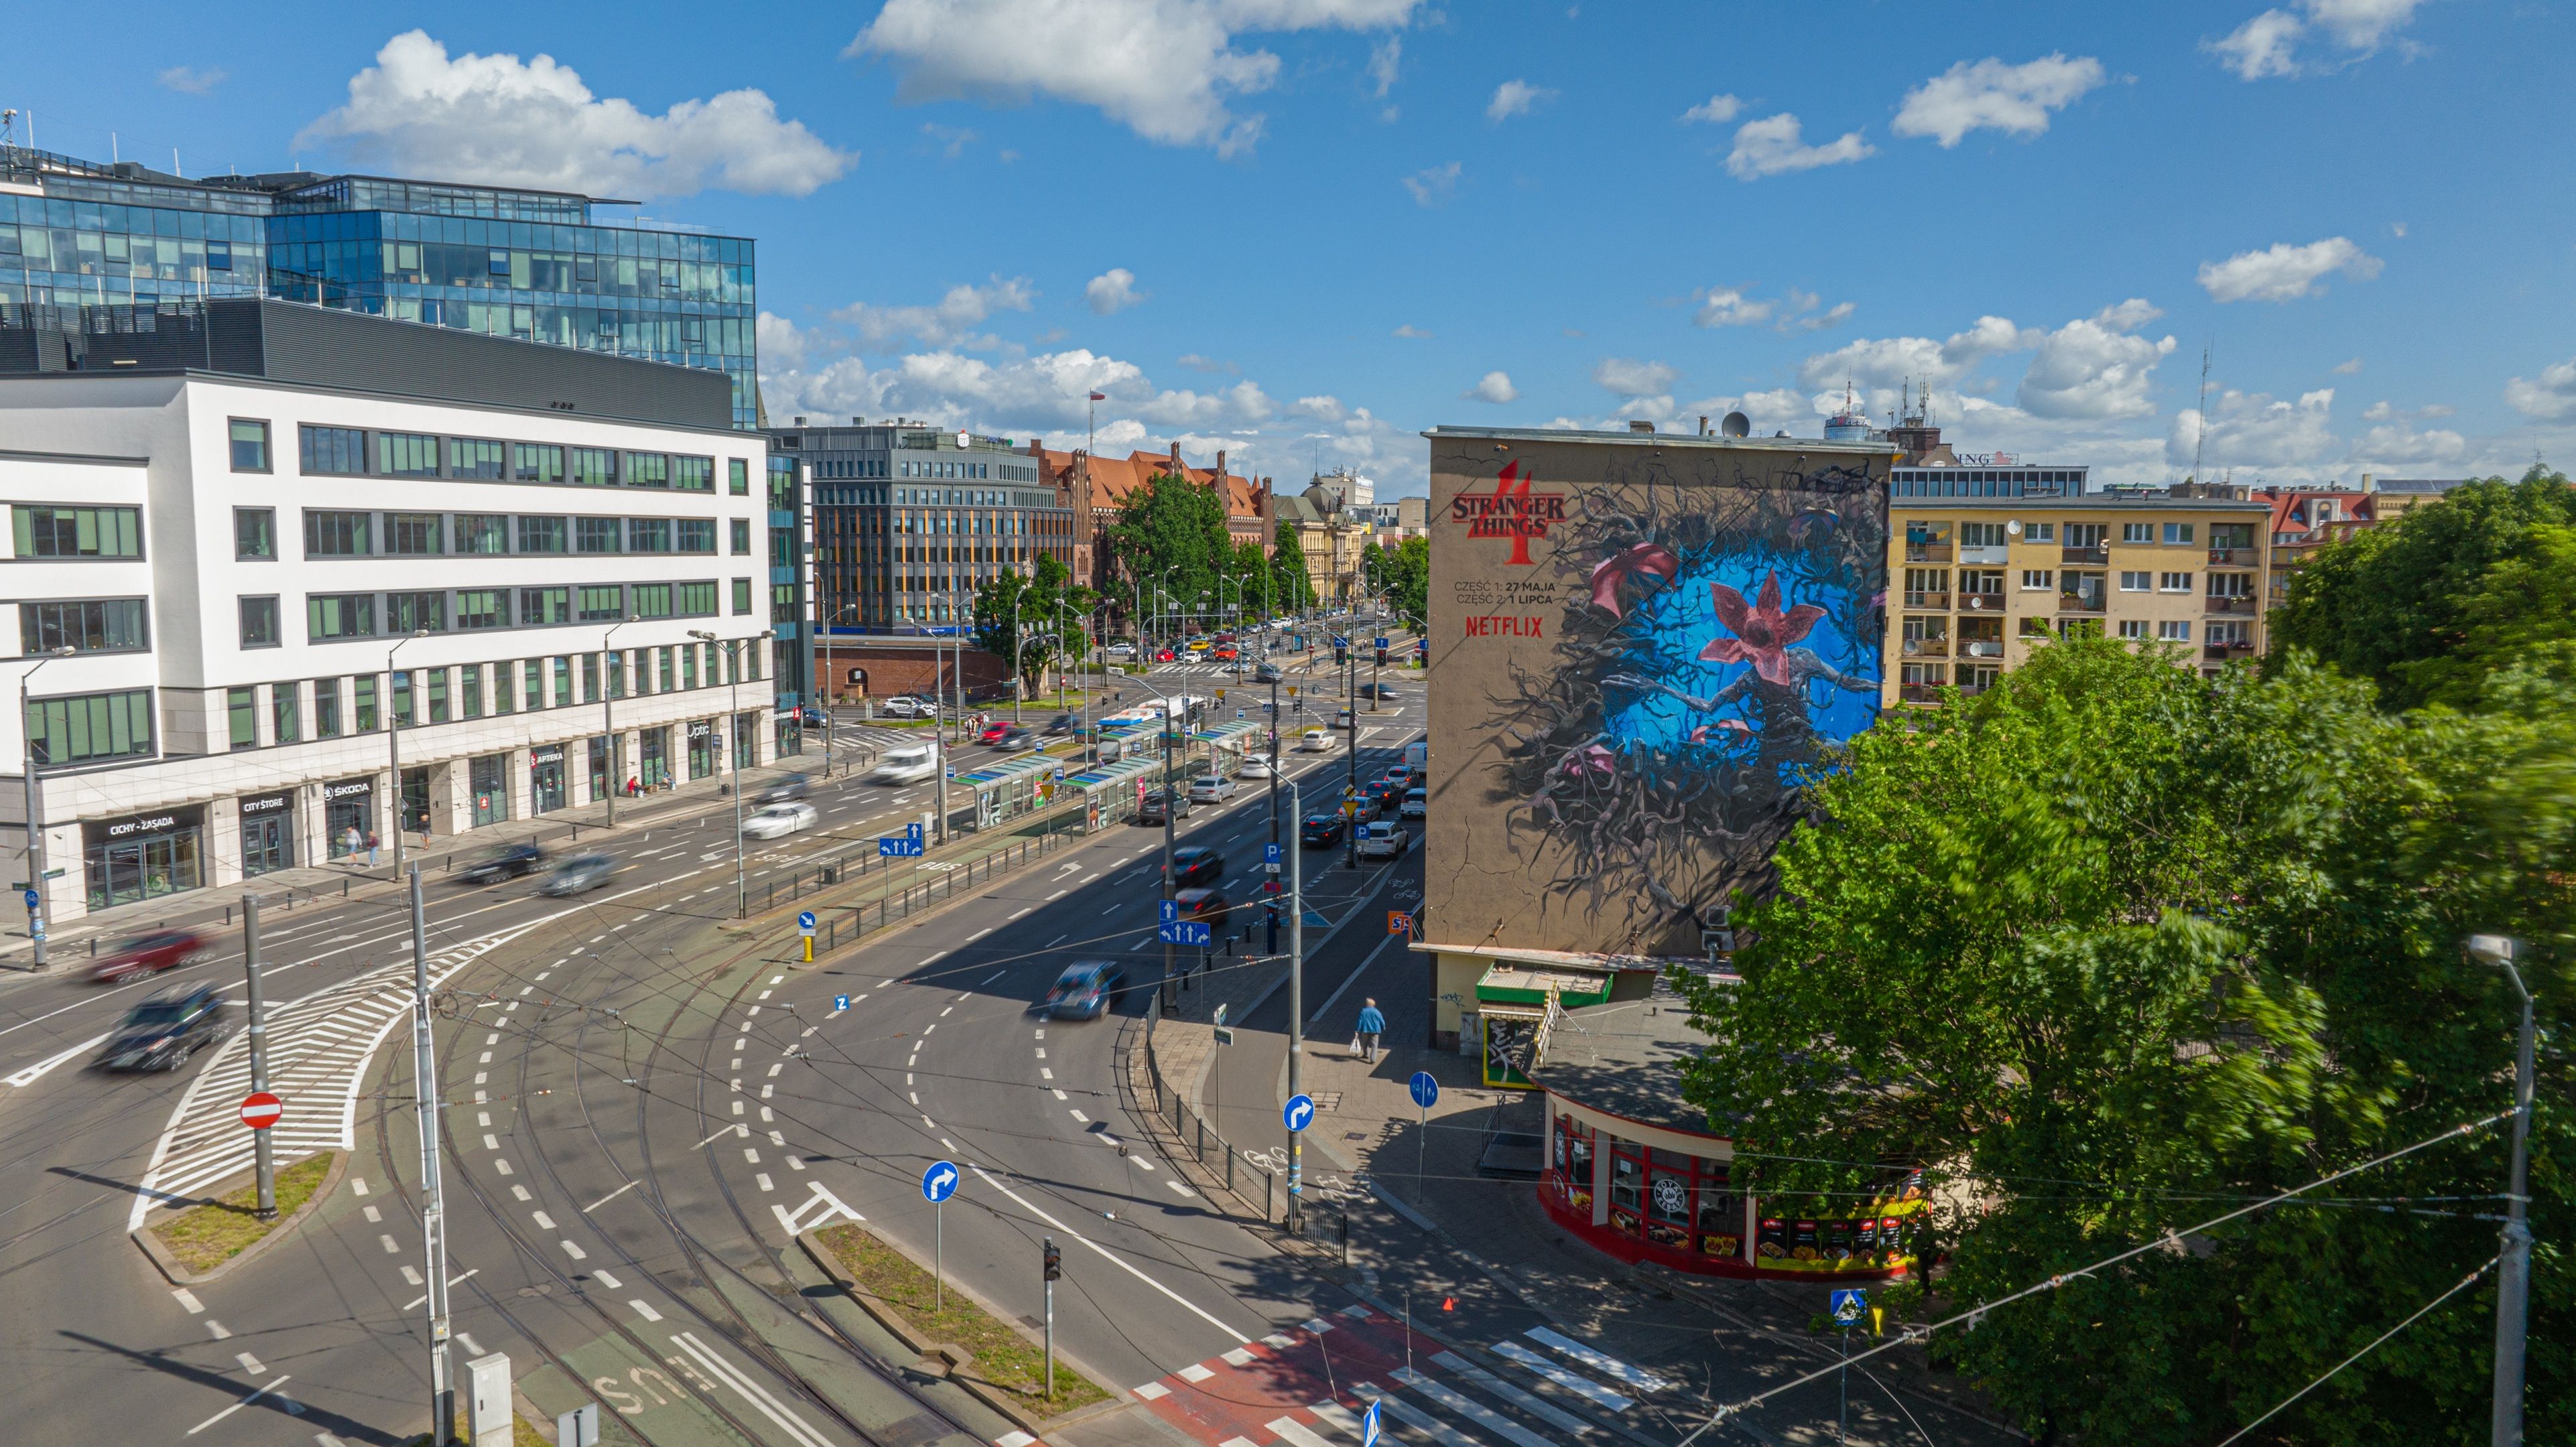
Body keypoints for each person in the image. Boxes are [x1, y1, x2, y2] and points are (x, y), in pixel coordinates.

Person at [1354, 997, 1386, 1063]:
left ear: (1367, 1004)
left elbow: (1360, 1021)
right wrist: (1383, 1027)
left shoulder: (1363, 1011)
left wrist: (1357, 1030)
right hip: (1375, 1030)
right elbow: (1382, 1021)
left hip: (1365, 1030)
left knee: (1365, 1043)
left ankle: (1366, 1054)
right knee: (1374, 1045)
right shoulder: (1377, 1012)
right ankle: (1373, 1059)